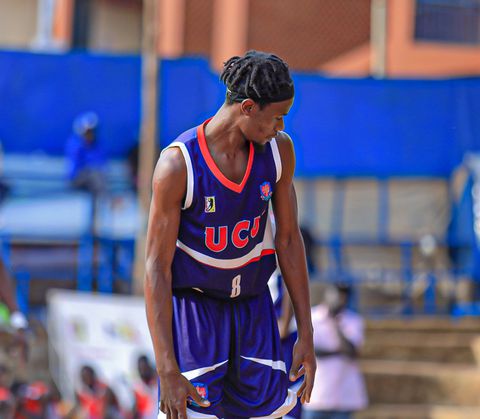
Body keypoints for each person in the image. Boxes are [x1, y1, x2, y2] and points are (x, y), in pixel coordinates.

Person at [144, 50, 315, 418]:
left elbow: (288, 240)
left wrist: (306, 332)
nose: (280, 127)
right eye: (277, 117)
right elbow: (157, 267)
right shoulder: (179, 165)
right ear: (248, 107)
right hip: (197, 312)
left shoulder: (279, 152)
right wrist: (166, 367)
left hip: (253, 309)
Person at [302, 284, 368, 419]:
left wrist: (336, 324)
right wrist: (337, 352)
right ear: (327, 295)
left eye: (343, 298)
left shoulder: (354, 320)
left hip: (344, 396)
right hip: (316, 394)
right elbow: (309, 351)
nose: (339, 301)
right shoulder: (311, 317)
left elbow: (351, 351)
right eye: (336, 296)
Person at [65, 111, 107, 196]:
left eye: (93, 131)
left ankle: (104, 198)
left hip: (93, 180)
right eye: (88, 131)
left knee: (97, 177)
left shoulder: (97, 145)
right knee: (94, 174)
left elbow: (101, 164)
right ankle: (108, 198)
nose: (91, 134)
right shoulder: (75, 143)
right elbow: (76, 165)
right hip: (76, 178)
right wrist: (85, 143)